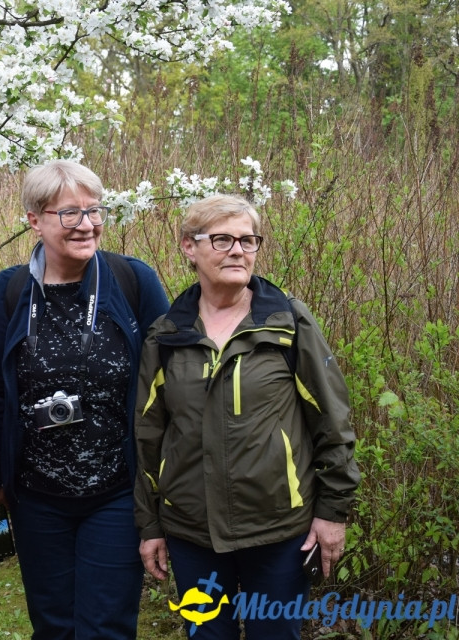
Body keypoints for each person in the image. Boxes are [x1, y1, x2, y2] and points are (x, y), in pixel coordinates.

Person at [133, 194, 361, 639]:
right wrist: (151, 525)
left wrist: (332, 512)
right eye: (222, 239)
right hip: (192, 532)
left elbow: (332, 422)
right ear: (189, 247)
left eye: (248, 240)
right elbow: (148, 436)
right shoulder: (167, 335)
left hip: (279, 531)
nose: (238, 250)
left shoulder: (287, 323)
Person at [0, 160, 170, 639]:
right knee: (53, 625)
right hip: (36, 496)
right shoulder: (10, 291)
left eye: (94, 210)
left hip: (117, 490)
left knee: (106, 626)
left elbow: (169, 384)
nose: (87, 224)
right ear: (34, 221)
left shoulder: (132, 281)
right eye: (69, 213)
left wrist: (166, 484)